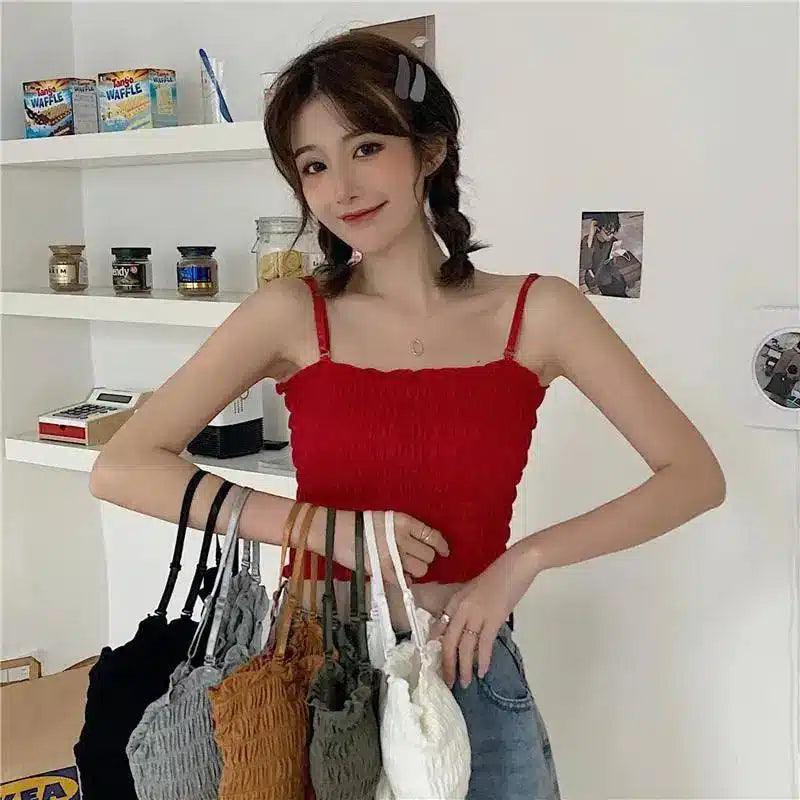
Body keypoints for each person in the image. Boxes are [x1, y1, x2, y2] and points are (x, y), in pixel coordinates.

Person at [89, 31, 726, 800]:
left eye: (366, 148)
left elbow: (694, 476)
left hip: (466, 664)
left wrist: (520, 563)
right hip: (317, 680)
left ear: (429, 149)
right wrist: (321, 528)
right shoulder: (291, 313)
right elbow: (122, 467)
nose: (342, 188)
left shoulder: (539, 312)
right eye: (314, 166)